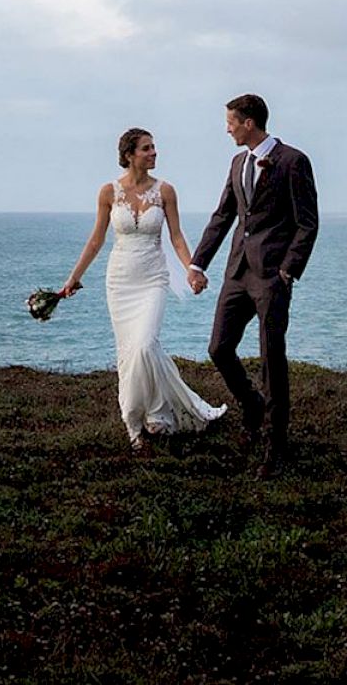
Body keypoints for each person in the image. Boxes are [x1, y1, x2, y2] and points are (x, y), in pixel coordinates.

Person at [60, 127, 225, 451]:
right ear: (129, 155)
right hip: (120, 281)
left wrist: (194, 270)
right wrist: (73, 278)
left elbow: (176, 237)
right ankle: (138, 426)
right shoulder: (108, 192)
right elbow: (96, 240)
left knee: (145, 345)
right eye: (147, 148)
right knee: (128, 353)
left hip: (152, 279)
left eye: (154, 147)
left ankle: (158, 413)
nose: (154, 153)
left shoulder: (165, 192)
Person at [188, 93, 318, 478]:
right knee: (219, 347)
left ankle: (275, 447)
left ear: (249, 122)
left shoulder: (293, 161)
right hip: (237, 272)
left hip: (272, 276)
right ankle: (252, 405)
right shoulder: (237, 162)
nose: (226, 128)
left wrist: (288, 270)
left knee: (271, 358)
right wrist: (198, 263)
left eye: (231, 122)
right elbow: (224, 215)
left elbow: (307, 222)